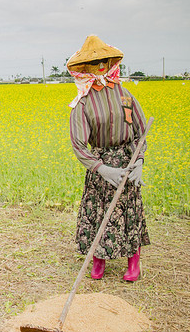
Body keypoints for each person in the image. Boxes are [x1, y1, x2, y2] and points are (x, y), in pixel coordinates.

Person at [67, 35, 150, 282]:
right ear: (85, 67)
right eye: (95, 62)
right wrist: (101, 168)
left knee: (129, 210)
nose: (101, 65)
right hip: (101, 163)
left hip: (126, 159)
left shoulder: (125, 96)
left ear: (111, 61)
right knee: (99, 210)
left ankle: (133, 262)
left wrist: (139, 162)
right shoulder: (83, 102)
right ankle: (98, 260)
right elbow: (79, 142)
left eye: (104, 60)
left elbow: (140, 132)